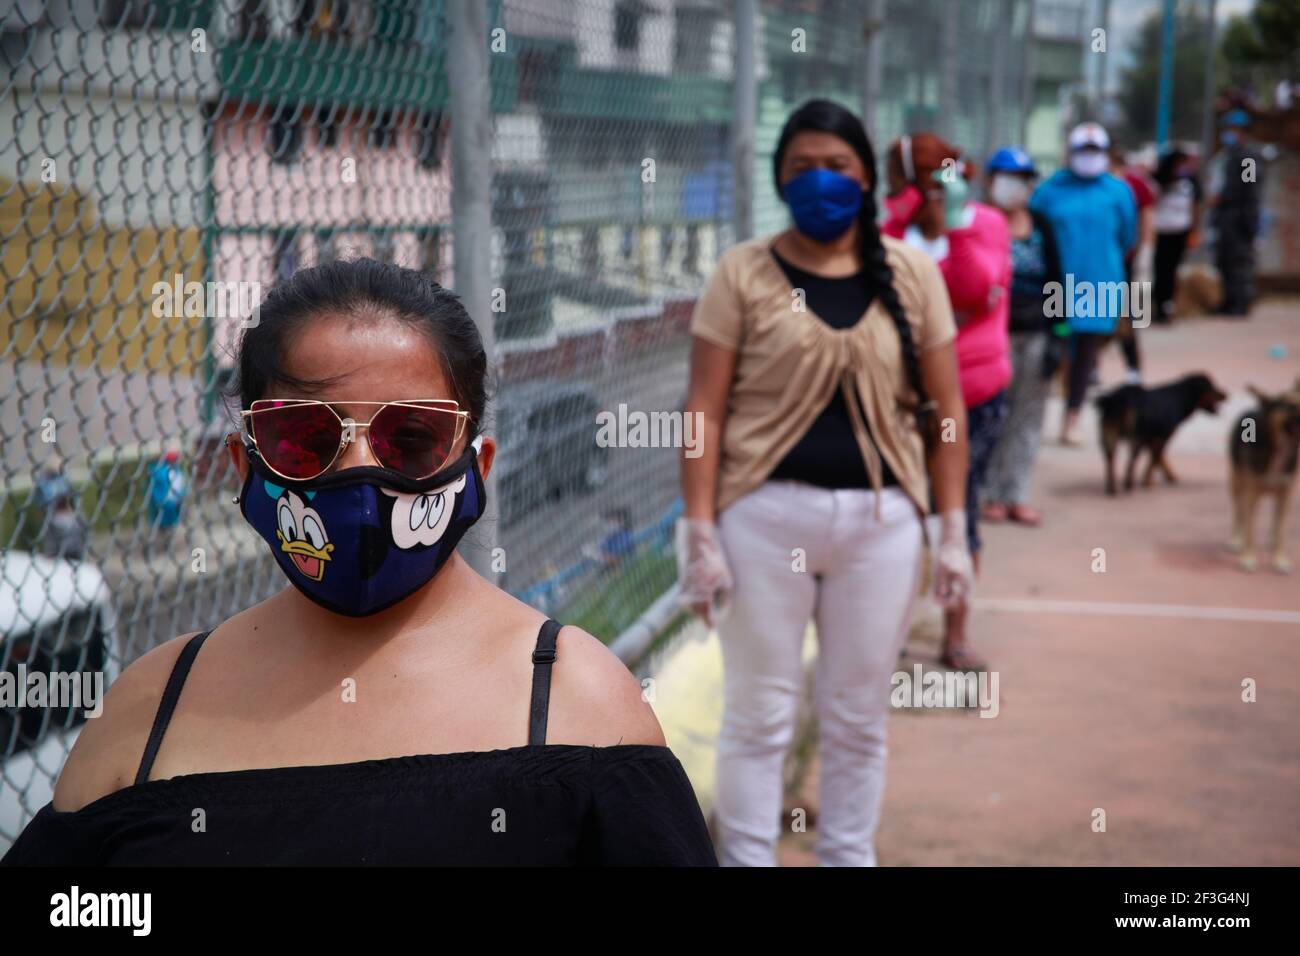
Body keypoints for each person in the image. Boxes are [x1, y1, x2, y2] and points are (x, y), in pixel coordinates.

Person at [2, 259, 717, 866]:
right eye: (303, 437)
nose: (360, 471)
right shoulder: (146, 712)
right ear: (241, 466)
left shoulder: (580, 705)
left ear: (478, 467)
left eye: (411, 437)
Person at [678, 99, 971, 866]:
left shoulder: (910, 273)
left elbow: (947, 412)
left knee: (857, 717)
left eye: (837, 166)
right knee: (759, 716)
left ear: (869, 179)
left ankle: (848, 857)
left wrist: (951, 531)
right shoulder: (742, 272)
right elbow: (702, 410)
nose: (819, 181)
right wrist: (698, 531)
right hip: (762, 523)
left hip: (884, 526)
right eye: (802, 166)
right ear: (779, 176)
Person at [882, 131, 1011, 672]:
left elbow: (976, 290)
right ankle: (886, 633)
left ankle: (955, 635)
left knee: (960, 515)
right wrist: (897, 220)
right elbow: (877, 285)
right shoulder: (894, 234)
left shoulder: (983, 224)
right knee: (898, 517)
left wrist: (953, 229)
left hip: (972, 394)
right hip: (900, 397)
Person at [1030, 122, 1137, 445]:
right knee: (1054, 348)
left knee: (1086, 353)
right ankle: (1032, 418)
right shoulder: (1050, 190)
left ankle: (1072, 415)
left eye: (1095, 151)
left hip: (1100, 282)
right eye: (1083, 151)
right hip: (1056, 286)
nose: (1089, 157)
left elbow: (1127, 236)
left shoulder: (1118, 191)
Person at [981, 147, 1066, 527]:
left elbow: (1057, 281)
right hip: (991, 339)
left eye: (1020, 178)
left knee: (1027, 419)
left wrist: (1059, 335)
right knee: (992, 417)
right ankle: (988, 494)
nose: (1012, 186)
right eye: (1004, 177)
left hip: (1034, 336)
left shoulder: (1042, 225)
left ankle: (1017, 494)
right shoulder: (976, 223)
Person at [1108, 146, 1157, 381]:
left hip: (1124, 261)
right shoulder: (1090, 186)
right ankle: (1092, 367)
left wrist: (1146, 249)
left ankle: (1133, 368)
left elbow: (1146, 218)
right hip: (1094, 262)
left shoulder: (1134, 186)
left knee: (1124, 315)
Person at [1209, 109, 1263, 317]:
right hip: (1226, 214)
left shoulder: (1248, 156)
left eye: (1232, 129)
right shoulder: (1229, 155)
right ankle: (1228, 300)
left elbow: (1249, 185)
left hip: (1240, 214)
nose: (1228, 134)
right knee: (1224, 259)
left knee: (1239, 261)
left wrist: (1225, 196)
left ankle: (1241, 303)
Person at [1151, 147, 1204, 324]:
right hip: (1161, 232)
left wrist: (1194, 231)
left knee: (1173, 269)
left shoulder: (1191, 183)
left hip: (1180, 231)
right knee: (1160, 269)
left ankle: (1168, 304)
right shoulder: (1158, 181)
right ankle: (1158, 303)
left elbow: (1196, 207)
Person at [146, 448, 188, 532]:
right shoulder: (160, 472)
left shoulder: (176, 470)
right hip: (164, 502)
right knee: (162, 523)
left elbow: (180, 487)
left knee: (168, 523)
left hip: (171, 502)